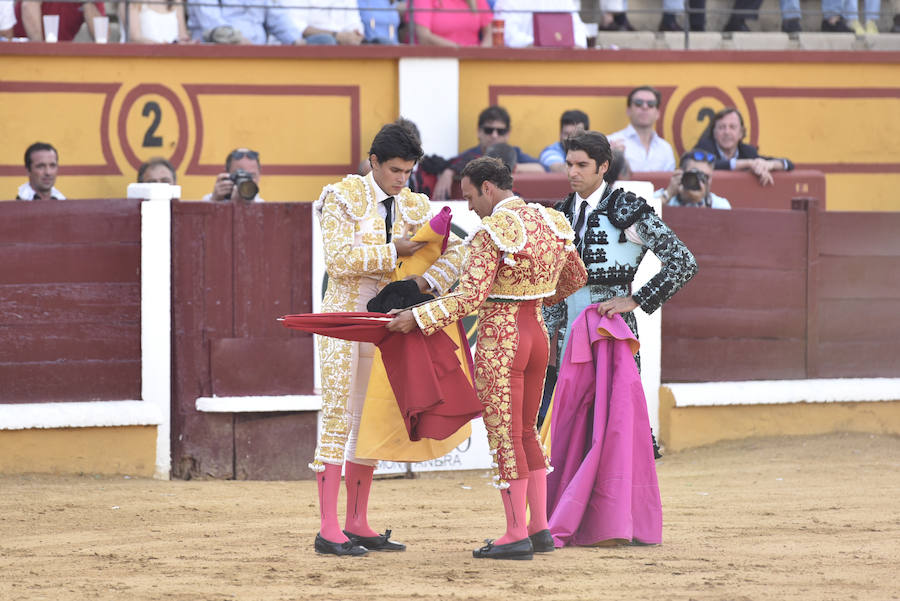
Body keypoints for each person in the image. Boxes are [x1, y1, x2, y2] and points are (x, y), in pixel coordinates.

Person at [386, 156, 587, 560]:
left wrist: (417, 317)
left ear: (488, 188)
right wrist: (537, 298)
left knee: (506, 437)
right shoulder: (551, 222)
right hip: (537, 335)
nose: (470, 206)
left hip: (502, 339)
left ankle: (515, 533)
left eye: (471, 197)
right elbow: (576, 277)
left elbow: (470, 298)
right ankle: (539, 529)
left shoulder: (491, 231)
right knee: (527, 432)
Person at [311, 119, 466, 557]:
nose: (402, 179)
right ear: (374, 162)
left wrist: (423, 284)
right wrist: (394, 251)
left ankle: (357, 522)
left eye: (408, 171)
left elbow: (458, 252)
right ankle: (328, 528)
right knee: (338, 417)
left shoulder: (416, 203)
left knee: (370, 420)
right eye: (395, 170)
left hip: (388, 323)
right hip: (345, 318)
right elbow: (338, 260)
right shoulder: (342, 197)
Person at [539, 130, 697, 443]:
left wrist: (637, 299)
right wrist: (543, 334)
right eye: (569, 164)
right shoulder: (559, 215)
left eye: (582, 165)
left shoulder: (627, 209)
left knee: (615, 418)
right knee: (569, 424)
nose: (572, 172)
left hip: (610, 328)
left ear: (603, 167)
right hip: (568, 333)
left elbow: (683, 261)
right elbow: (555, 286)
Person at [432, 105, 544, 200]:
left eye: (500, 131)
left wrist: (510, 167)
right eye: (489, 130)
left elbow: (541, 169)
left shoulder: (515, 153)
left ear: (508, 134)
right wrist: (448, 172)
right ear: (479, 132)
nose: (494, 135)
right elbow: (452, 165)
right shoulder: (469, 156)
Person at [693, 107, 794, 187]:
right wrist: (748, 163)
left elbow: (788, 164)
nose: (727, 132)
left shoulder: (747, 151)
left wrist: (769, 165)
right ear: (714, 133)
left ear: (741, 133)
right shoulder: (704, 146)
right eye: (721, 127)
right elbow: (706, 164)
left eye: (732, 127)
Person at [608, 86, 676, 173]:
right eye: (638, 103)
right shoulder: (611, 142)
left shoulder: (666, 148)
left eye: (651, 104)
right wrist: (614, 158)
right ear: (628, 110)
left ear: (658, 113)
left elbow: (669, 180)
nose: (645, 107)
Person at [187, 0, 305, 45]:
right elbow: (212, 24)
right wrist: (238, 40)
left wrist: (295, 40)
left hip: (258, 58)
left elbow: (278, 18)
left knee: (315, 41)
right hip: (219, 57)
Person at [492, 0, 588, 47]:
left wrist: (571, 45)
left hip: (561, 65)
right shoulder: (508, 1)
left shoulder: (564, 1)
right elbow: (508, 35)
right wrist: (541, 46)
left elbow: (579, 32)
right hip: (521, 65)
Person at [657, 150, 732, 209]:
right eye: (695, 174)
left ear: (711, 180)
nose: (699, 181)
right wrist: (668, 195)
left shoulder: (721, 205)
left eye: (705, 177)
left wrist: (700, 204)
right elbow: (649, 218)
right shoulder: (660, 197)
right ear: (680, 174)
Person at [409, 0, 493, 47]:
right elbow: (424, 37)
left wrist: (482, 50)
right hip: (435, 61)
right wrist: (461, 50)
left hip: (474, 62)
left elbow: (491, 32)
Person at [13, 1, 105, 41]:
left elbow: (102, 35)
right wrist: (41, 51)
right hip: (22, 50)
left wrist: (87, 2)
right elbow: (28, 6)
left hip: (61, 54)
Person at [288, 0, 365, 45]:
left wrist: (355, 35)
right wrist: (336, 35)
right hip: (312, 42)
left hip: (343, 41)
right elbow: (298, 26)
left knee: (370, 42)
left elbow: (354, 24)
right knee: (327, 40)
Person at [540, 109, 590, 174]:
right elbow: (561, 170)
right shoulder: (550, 151)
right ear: (560, 134)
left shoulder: (594, 149)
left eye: (576, 134)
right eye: (567, 134)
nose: (571, 139)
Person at [121, 0, 191, 44]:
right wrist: (163, 48)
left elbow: (182, 36)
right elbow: (134, 38)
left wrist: (186, 43)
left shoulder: (177, 1)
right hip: (141, 59)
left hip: (173, 59)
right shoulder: (132, 2)